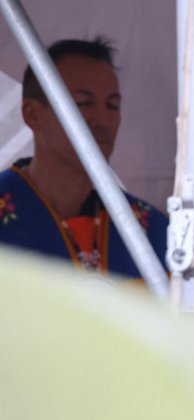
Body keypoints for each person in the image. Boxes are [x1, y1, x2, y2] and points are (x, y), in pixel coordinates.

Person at [0, 37, 167, 279]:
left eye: (112, 105)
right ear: (32, 114)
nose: (102, 120)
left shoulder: (151, 230)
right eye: (83, 103)